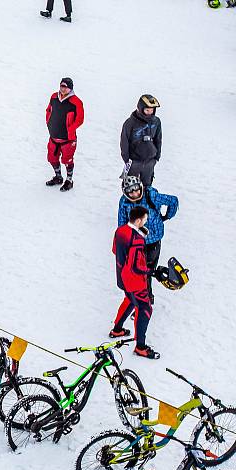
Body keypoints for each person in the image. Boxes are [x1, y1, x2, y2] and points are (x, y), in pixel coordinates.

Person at [117, 174, 178, 303]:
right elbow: (122, 224)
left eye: (136, 189)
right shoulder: (124, 202)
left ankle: (146, 299)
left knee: (146, 271)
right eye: (130, 191)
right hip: (136, 242)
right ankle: (143, 298)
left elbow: (173, 201)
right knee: (139, 272)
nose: (135, 193)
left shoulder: (151, 195)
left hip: (153, 241)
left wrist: (166, 217)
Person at [111, 206, 159, 359]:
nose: (145, 221)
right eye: (144, 219)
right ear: (138, 220)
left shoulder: (120, 231)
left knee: (130, 300)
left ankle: (117, 329)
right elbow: (137, 266)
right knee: (145, 308)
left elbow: (114, 250)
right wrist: (151, 271)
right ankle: (140, 347)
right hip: (135, 281)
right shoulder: (137, 240)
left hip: (122, 278)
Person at [44, 77, 84, 191]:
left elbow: (80, 119)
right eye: (62, 86)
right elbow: (48, 110)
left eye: (65, 87)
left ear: (70, 88)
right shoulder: (53, 97)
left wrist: (70, 130)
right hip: (54, 137)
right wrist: (49, 123)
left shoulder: (76, 102)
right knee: (52, 158)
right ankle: (58, 177)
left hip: (68, 139)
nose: (63, 89)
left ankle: (69, 180)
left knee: (67, 160)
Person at [121, 94, 162, 187]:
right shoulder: (130, 123)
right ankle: (130, 201)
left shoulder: (156, 122)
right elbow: (124, 142)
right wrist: (126, 159)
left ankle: (146, 201)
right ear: (140, 108)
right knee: (131, 187)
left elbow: (158, 139)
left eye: (152, 110)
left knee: (147, 186)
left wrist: (157, 156)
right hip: (134, 161)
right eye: (147, 110)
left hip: (150, 160)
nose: (150, 113)